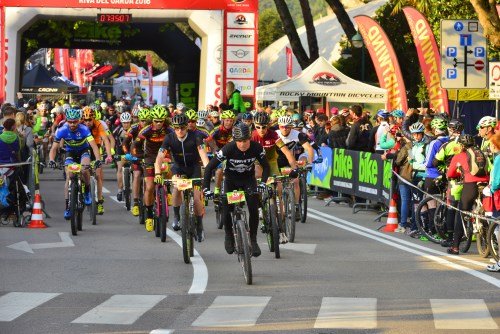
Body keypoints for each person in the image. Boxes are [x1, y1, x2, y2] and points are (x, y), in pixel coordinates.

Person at [203, 123, 269, 257]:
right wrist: (206, 189)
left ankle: (253, 240)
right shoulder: (228, 148)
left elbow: (266, 167)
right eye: (239, 141)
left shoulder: (257, 148)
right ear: (234, 140)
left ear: (250, 138)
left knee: (253, 206)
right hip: (231, 180)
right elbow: (210, 167)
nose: (242, 144)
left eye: (245, 140)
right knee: (227, 209)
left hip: (248, 180)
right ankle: (228, 235)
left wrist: (263, 183)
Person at [154, 113, 210, 241]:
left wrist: (207, 172)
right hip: (178, 167)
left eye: (183, 128)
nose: (180, 130)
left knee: (196, 199)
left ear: (187, 127)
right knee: (177, 188)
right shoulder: (169, 138)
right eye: (177, 128)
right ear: (173, 127)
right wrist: (157, 173)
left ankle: (200, 225)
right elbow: (159, 159)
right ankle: (177, 217)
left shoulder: (196, 136)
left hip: (194, 168)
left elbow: (204, 157)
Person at [48, 109, 103, 220]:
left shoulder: (84, 129)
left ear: (79, 121)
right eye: (70, 122)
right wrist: (51, 160)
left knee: (84, 169)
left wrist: (97, 159)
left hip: (83, 151)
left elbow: (93, 146)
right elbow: (54, 148)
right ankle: (68, 206)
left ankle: (87, 191)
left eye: (75, 122)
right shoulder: (61, 130)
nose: (72, 124)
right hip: (70, 152)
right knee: (69, 176)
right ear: (66, 120)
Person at [444, 134, 489, 255]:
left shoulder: (459, 156)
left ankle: (455, 247)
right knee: (487, 214)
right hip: (485, 184)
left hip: (470, 186)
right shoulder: (481, 154)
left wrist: (458, 174)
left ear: (461, 145)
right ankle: (491, 241)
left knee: (461, 213)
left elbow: (450, 174)